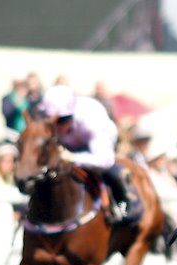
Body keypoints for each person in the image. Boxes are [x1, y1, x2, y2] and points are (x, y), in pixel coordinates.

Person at [39, 84, 130, 222]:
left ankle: (122, 204)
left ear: (71, 116)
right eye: (51, 121)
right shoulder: (51, 121)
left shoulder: (91, 122)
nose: (56, 127)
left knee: (112, 173)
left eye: (62, 121)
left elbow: (105, 161)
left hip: (94, 145)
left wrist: (73, 158)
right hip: (70, 145)